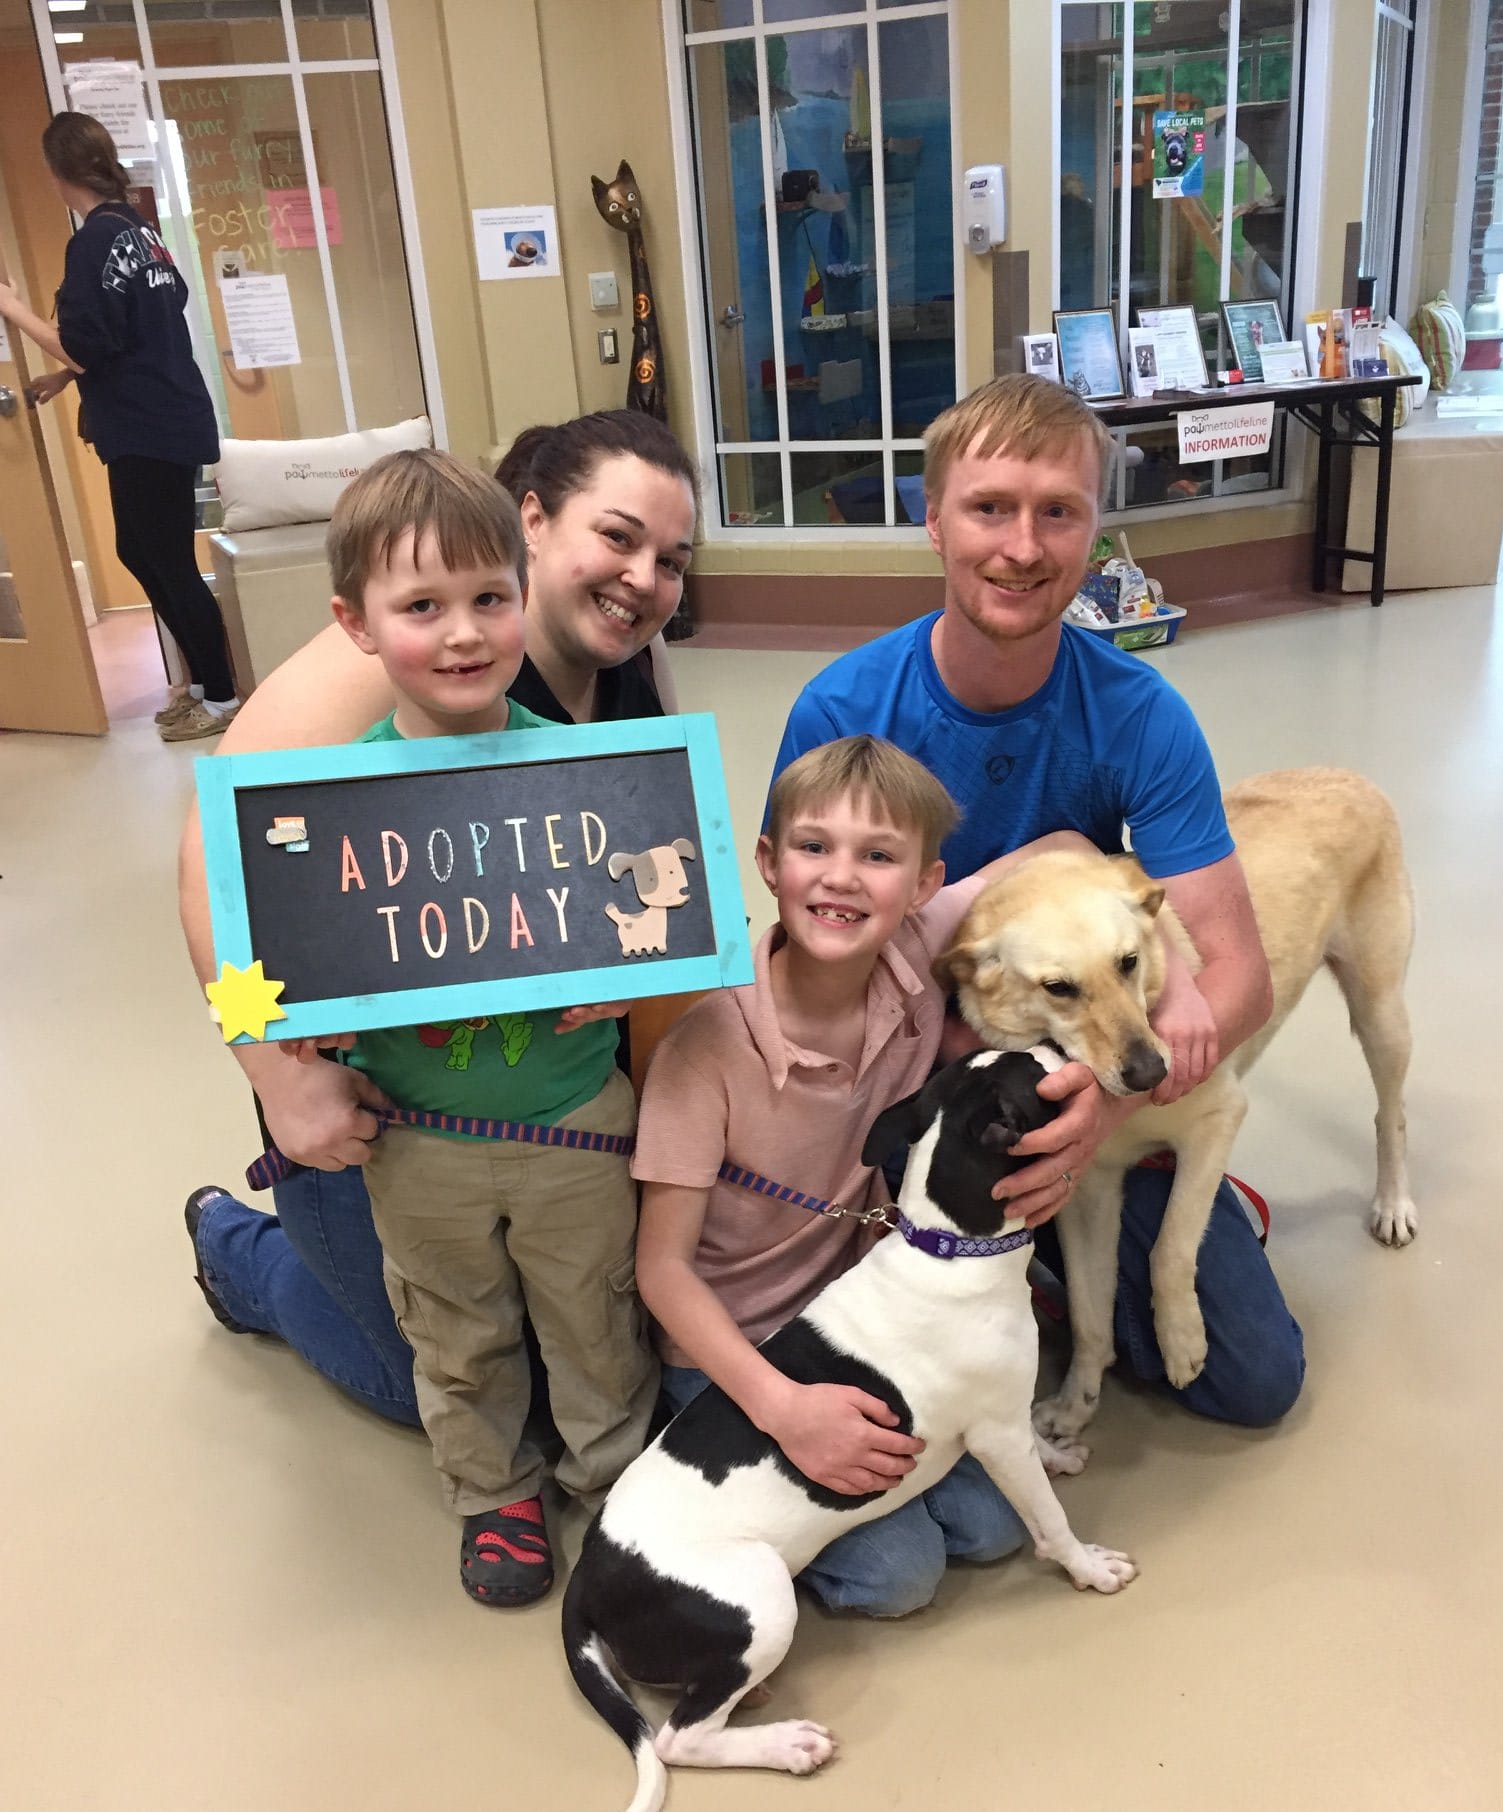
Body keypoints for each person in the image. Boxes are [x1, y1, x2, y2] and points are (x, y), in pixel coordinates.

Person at [770, 373, 1304, 1431]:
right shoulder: (844, 712)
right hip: (917, 1067)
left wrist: (1101, 1113)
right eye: (989, 508)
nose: (1022, 547)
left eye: (1057, 511)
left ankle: (1075, 1242)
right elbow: (814, 973)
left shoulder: (1141, 716)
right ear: (934, 522)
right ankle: (1040, 1255)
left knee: (1253, 1378)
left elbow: (1240, 976)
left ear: (1094, 529)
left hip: (1082, 1076)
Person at [179, 409, 698, 1428]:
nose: (643, 579)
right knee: (439, 1391)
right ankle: (242, 1255)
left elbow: (657, 879)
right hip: (381, 1103)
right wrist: (275, 1076)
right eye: (618, 536)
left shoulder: (632, 675)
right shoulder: (401, 655)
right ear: (531, 523)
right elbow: (213, 868)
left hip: (552, 1095)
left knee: (594, 1351)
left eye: (672, 561)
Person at [275, 446, 657, 1605]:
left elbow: (662, 915)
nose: (461, 634)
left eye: (489, 598)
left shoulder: (589, 772)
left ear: (522, 593)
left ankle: (617, 1485)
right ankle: (494, 1492)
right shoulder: (322, 804)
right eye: (420, 607)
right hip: (417, 1140)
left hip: (576, 1121)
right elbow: (251, 961)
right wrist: (283, 1035)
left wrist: (633, 974)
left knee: (596, 1317)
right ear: (355, 623)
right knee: (453, 1327)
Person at [634, 735, 1096, 1619]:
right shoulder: (705, 1048)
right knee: (900, 1575)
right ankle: (722, 1490)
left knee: (993, 1528)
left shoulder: (916, 945)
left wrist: (1173, 1001)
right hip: (738, 1350)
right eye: (815, 847)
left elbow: (1070, 850)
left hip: (873, 1323)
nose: (843, 878)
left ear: (924, 883)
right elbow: (661, 1269)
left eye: (879, 857)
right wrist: (780, 1408)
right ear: (768, 862)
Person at [0, 113, 237, 743]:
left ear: (57, 173)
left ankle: (222, 698)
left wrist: (13, 308)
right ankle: (198, 687)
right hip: (165, 415)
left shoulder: (93, 243)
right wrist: (66, 376)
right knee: (140, 550)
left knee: (169, 562)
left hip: (148, 426)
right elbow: (134, 332)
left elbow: (87, 344)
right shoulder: (140, 232)